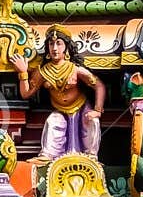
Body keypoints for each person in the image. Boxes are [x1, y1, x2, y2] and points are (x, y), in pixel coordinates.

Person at [13, 26, 105, 158]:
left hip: (81, 107)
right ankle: (47, 156)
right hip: (60, 110)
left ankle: (91, 155)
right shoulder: (43, 71)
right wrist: (23, 72)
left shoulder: (75, 69)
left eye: (59, 43)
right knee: (52, 123)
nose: (55, 48)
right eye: (51, 44)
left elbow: (99, 86)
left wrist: (97, 110)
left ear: (67, 47)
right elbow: (26, 93)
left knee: (92, 122)